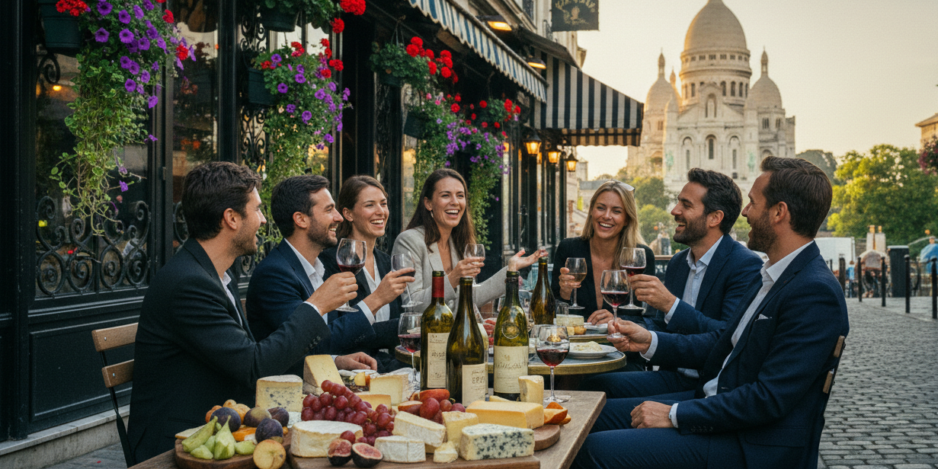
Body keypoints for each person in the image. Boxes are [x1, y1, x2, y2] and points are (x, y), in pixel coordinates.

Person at [569, 157, 849, 469]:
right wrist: (648, 340)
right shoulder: (774, 275)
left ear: (779, 212)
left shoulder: (813, 290)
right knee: (591, 414)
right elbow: (720, 347)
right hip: (716, 407)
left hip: (748, 447)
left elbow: (769, 399)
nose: (745, 212)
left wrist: (673, 415)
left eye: (753, 202)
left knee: (593, 455)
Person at [127, 162, 375, 469]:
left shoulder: (213, 275)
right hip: (187, 446)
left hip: (229, 422)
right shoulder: (189, 284)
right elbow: (253, 365)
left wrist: (332, 362)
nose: (262, 220)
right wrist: (317, 304)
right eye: (256, 210)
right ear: (231, 218)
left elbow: (252, 354)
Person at [581, 169, 762, 398]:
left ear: (715, 218)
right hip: (673, 377)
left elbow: (726, 338)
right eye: (678, 203)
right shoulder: (678, 262)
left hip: (710, 389)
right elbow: (661, 326)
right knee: (590, 386)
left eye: (685, 205)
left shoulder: (744, 266)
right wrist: (627, 325)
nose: (674, 211)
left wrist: (670, 305)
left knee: (597, 411)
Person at [247, 175, 413, 357]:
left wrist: (339, 361)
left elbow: (330, 335)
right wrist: (378, 299)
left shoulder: (317, 269)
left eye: (383, 203)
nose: (339, 217)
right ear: (301, 220)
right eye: (329, 210)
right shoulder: (275, 274)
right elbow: (307, 344)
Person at [392, 168, 543, 309]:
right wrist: (453, 278)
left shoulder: (457, 242)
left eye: (460, 195)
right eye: (445, 195)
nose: (455, 202)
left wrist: (511, 269)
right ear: (428, 203)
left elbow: (470, 298)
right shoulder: (409, 241)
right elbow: (412, 305)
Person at [551, 180, 655, 322]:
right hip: (577, 341)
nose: (606, 216)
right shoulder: (568, 249)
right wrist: (564, 294)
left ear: (627, 219)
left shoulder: (641, 256)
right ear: (591, 212)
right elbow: (552, 312)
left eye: (616, 211)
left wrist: (617, 319)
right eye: (601, 208)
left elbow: (649, 317)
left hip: (620, 342)